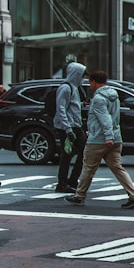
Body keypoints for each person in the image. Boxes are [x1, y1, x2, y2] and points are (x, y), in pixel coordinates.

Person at [65, 70, 134, 209]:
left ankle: (79, 196)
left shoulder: (98, 99)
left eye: (90, 82)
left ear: (94, 82)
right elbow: (112, 116)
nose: (89, 85)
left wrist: (107, 136)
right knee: (118, 168)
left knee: (88, 167)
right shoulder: (113, 95)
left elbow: (105, 119)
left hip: (100, 139)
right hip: (116, 137)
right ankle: (133, 195)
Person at [53, 60, 87, 193]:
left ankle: (70, 181)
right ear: (75, 74)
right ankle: (63, 183)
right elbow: (61, 109)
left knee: (77, 153)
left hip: (74, 125)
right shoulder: (66, 88)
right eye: (81, 75)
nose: (83, 78)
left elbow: (72, 107)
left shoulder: (74, 88)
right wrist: (68, 129)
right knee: (68, 155)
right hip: (68, 127)